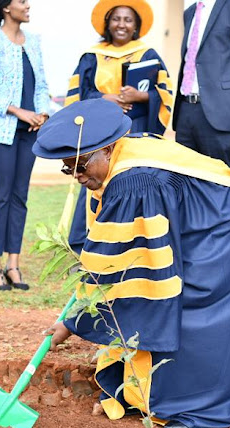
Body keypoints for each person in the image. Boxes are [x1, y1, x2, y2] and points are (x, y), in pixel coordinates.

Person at [37, 99, 230, 428]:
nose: (78, 176)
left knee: (184, 303)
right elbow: (110, 255)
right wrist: (72, 320)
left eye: (81, 165)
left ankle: (200, 403)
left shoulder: (133, 182)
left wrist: (72, 322)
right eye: (69, 169)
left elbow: (132, 274)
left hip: (229, 227)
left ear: (107, 149)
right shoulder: (120, 155)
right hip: (208, 220)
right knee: (166, 303)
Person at [64, 0, 174, 254]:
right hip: (98, 132)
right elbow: (78, 94)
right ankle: (83, 244)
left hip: (135, 131)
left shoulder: (147, 54)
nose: (121, 24)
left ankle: (130, 244)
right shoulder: (91, 55)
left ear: (136, 26)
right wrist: (104, 98)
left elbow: (166, 93)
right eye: (116, 19)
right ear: (107, 23)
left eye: (128, 20)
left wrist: (141, 96)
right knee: (92, 182)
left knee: (133, 184)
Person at [0, 0, 50, 291]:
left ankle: (13, 264)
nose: (28, 5)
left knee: (20, 197)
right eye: (22, 1)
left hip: (29, 132)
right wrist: (18, 111)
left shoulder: (35, 41)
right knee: (0, 196)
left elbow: (41, 85)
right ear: (6, 7)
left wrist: (41, 113)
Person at [173, 0, 230, 170]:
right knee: (186, 182)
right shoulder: (190, 12)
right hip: (185, 110)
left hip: (221, 112)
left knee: (222, 183)